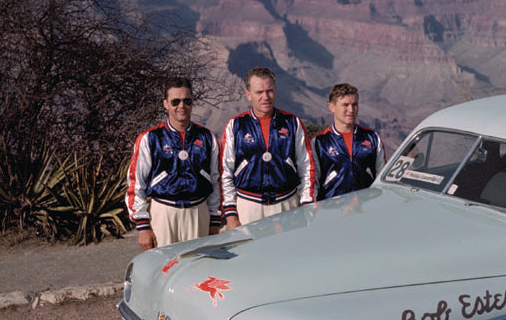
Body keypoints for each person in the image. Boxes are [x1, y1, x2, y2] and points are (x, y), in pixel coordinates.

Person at [126, 79, 222, 251]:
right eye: (175, 101)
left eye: (187, 101)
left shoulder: (207, 137)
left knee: (199, 268)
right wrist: (143, 226)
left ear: (193, 102)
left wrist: (215, 219)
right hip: (163, 213)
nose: (181, 106)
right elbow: (136, 184)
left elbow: (216, 180)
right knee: (164, 269)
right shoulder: (150, 138)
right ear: (166, 104)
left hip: (198, 212)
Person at [221, 67, 315, 228]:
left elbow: (306, 166)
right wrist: (230, 213)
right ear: (248, 94)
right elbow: (225, 171)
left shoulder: (292, 122)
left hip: (287, 204)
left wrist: (307, 204)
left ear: (275, 91)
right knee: (249, 253)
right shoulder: (236, 125)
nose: (265, 97)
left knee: (287, 252)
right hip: (248, 206)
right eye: (259, 92)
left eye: (269, 91)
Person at [312, 83, 386, 200]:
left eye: (354, 105)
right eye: (345, 105)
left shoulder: (371, 137)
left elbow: (382, 174)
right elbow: (312, 181)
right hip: (331, 208)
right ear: (332, 107)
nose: (351, 110)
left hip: (366, 206)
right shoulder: (320, 142)